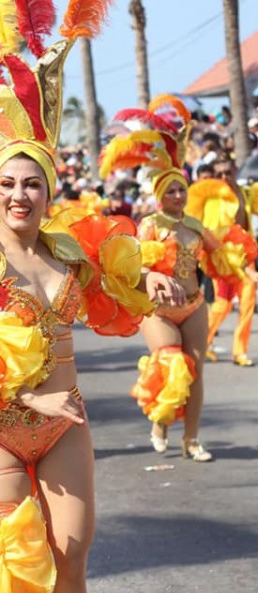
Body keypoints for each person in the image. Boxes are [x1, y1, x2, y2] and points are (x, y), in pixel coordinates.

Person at [0, 5, 182, 593]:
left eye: (32, 184)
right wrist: (31, 396)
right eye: (7, 184)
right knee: (9, 575)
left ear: (49, 190)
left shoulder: (73, 248)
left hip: (65, 429)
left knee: (69, 565)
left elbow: (118, 284)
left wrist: (149, 282)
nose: (19, 195)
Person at [101, 95, 226, 462]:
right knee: (171, 361)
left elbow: (225, 254)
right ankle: (161, 421)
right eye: (170, 190)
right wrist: (145, 274)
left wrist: (240, 262)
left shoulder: (195, 226)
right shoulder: (150, 226)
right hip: (158, 309)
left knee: (197, 370)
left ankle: (192, 439)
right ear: (159, 196)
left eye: (181, 189)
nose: (177, 195)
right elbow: (133, 266)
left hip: (193, 305)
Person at [204, 155, 258, 366]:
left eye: (228, 172)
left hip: (246, 255)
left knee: (247, 303)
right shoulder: (214, 202)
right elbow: (212, 232)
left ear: (235, 170)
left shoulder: (244, 193)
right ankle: (204, 341)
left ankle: (239, 351)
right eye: (220, 174)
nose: (225, 177)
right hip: (224, 260)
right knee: (223, 305)